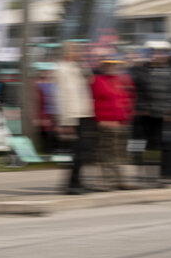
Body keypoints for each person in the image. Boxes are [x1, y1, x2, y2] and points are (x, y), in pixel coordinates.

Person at [134, 41, 171, 186]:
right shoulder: (142, 71)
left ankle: (154, 176)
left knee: (157, 146)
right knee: (139, 144)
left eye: (162, 53)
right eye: (155, 52)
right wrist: (144, 108)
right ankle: (141, 173)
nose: (158, 55)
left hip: (163, 115)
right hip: (144, 114)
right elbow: (140, 92)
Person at [55, 42, 96, 194]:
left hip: (83, 113)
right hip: (72, 115)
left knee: (83, 150)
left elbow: (89, 82)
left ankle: (78, 181)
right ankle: (71, 184)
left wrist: (85, 69)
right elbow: (61, 96)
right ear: (67, 53)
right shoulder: (61, 69)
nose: (79, 53)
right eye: (76, 50)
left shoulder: (77, 68)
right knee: (77, 151)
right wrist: (66, 120)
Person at [90, 58, 133, 190]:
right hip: (106, 122)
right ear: (103, 66)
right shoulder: (97, 80)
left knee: (120, 153)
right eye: (109, 65)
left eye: (114, 65)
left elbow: (126, 99)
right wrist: (100, 119)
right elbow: (94, 101)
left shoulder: (120, 80)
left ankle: (120, 180)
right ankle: (108, 181)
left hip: (120, 122)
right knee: (107, 153)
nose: (112, 67)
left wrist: (126, 117)